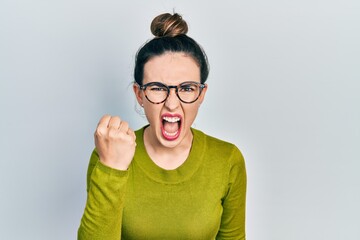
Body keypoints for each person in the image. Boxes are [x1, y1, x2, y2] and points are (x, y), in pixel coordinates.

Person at [78, 12, 247, 240]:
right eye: (157, 88)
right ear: (139, 94)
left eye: (186, 88)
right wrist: (112, 168)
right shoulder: (108, 154)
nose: (172, 103)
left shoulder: (227, 160)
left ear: (201, 94)